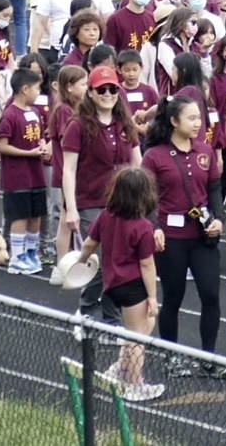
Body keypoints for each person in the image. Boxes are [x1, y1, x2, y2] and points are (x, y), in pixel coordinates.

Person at [139, 96, 226, 378]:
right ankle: (171, 354)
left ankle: (208, 356)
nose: (197, 124)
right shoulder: (154, 156)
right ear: (174, 122)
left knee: (211, 294)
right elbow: (146, 198)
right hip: (171, 237)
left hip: (202, 235)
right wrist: (155, 227)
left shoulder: (204, 151)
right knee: (174, 296)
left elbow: (215, 187)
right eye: (191, 118)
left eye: (199, 118)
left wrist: (218, 218)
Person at [60, 66, 142, 328]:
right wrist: (71, 209)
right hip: (91, 201)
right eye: (101, 89)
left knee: (116, 260)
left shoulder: (124, 123)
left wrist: (141, 199)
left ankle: (108, 316)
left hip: (123, 203)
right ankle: (86, 310)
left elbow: (136, 162)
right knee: (100, 256)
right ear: (91, 93)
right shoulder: (78, 125)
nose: (108, 94)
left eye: (112, 89)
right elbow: (69, 168)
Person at [76, 167, 164, 401]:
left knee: (141, 328)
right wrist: (153, 297)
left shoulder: (105, 216)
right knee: (139, 336)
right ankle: (135, 384)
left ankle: (121, 368)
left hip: (111, 283)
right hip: (133, 284)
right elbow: (147, 265)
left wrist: (79, 264)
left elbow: (89, 244)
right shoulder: (144, 227)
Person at [0, 68, 50, 275]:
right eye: (36, 89)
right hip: (17, 176)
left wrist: (42, 146)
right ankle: (17, 257)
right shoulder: (10, 115)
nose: (38, 93)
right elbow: (2, 146)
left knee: (36, 215)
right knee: (20, 216)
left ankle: (31, 252)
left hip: (36, 175)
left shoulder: (35, 113)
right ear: (24, 89)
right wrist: (29, 153)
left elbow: (41, 136)